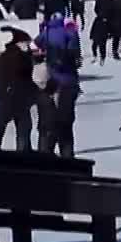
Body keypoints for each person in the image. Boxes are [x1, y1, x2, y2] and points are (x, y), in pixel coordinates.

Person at [0, 28, 40, 151]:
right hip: (16, 97)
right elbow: (25, 79)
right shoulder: (18, 57)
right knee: (22, 127)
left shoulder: (5, 55)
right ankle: (23, 152)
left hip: (6, 97)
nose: (28, 45)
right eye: (26, 43)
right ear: (19, 43)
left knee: (0, 127)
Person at [37, 14, 82, 158]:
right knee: (66, 121)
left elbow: (35, 45)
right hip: (68, 82)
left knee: (47, 121)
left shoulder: (47, 32)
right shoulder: (70, 32)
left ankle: (46, 151)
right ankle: (67, 153)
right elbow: (75, 53)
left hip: (52, 81)